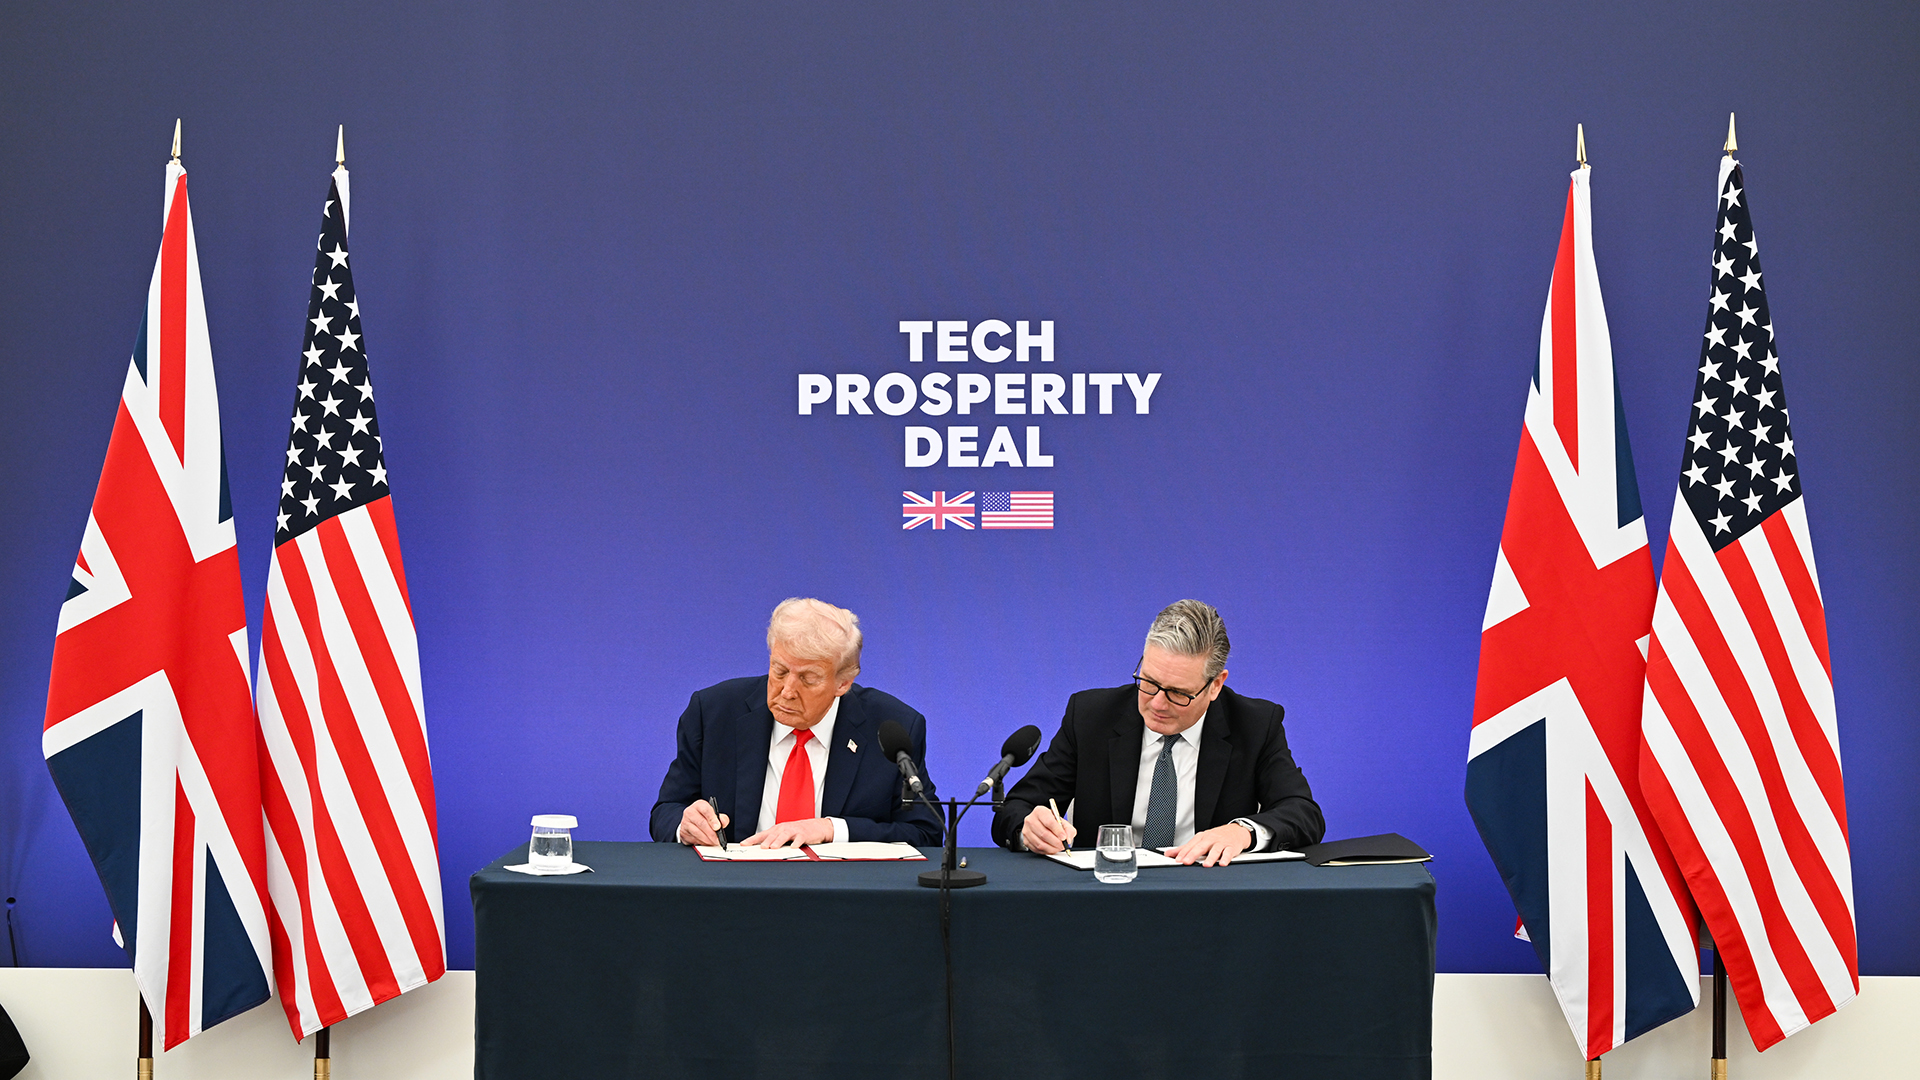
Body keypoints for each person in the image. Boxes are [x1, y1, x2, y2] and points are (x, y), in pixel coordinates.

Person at [990, 599, 1323, 865]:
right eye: (1148, 683)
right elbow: (1015, 809)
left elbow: (1303, 813)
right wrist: (1028, 830)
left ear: (1215, 685)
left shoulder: (1254, 724)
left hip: (1213, 898)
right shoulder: (1092, 716)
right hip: (1104, 895)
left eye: (1178, 693)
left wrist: (1243, 832)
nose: (1158, 704)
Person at [650, 597, 941, 848]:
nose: (787, 691)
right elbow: (666, 811)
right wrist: (684, 824)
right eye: (779, 670)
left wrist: (831, 829)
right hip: (732, 891)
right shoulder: (714, 712)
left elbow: (925, 833)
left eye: (808, 678)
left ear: (843, 683)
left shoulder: (892, 726)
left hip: (842, 898)